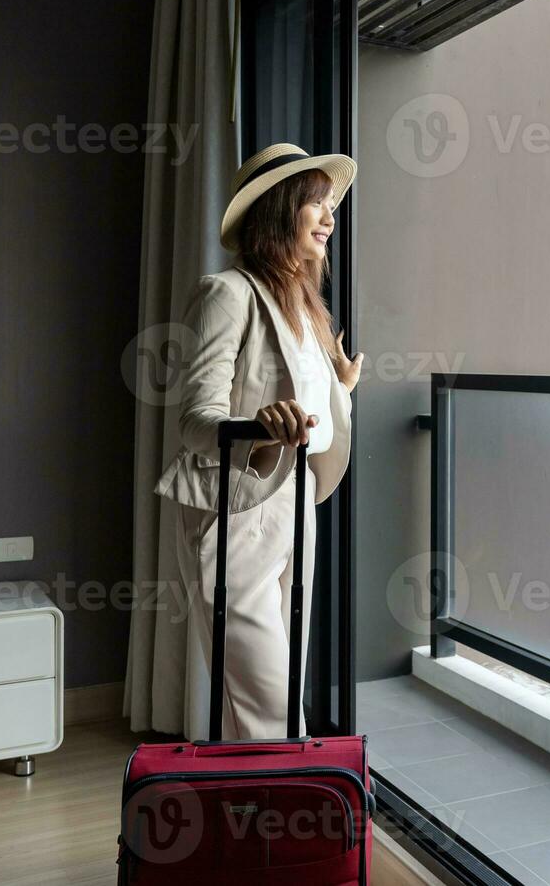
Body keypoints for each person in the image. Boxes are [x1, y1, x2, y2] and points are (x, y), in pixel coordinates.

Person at [153, 142, 363, 740]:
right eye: (315, 204)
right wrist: (261, 431)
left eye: (330, 206)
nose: (329, 218)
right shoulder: (228, 294)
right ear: (278, 211)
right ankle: (291, 825)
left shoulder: (304, 309)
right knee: (268, 705)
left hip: (296, 500)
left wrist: (339, 386)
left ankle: (249, 823)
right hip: (233, 511)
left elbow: (304, 408)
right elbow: (195, 420)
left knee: (267, 691)